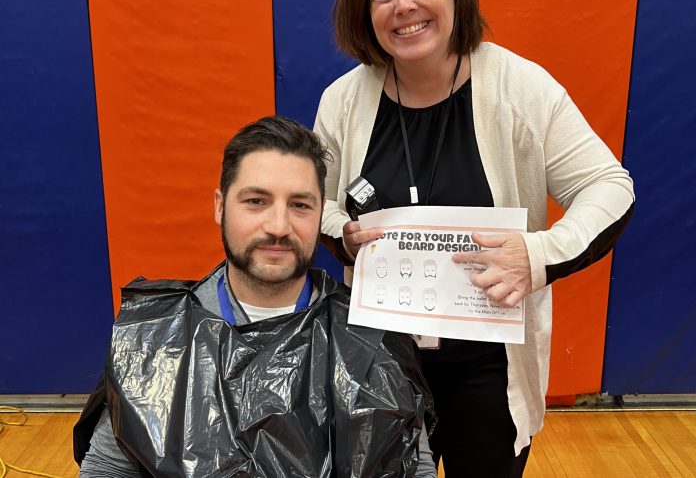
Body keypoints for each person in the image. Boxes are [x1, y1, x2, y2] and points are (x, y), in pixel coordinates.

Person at [314, 0, 635, 476]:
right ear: (364, 11)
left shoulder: (520, 88)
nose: (404, 5)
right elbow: (318, 203)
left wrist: (538, 255)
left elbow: (609, 187)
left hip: (490, 370)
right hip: (381, 363)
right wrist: (344, 235)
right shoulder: (343, 101)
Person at [74, 116, 437, 477]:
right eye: (256, 201)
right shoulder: (154, 338)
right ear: (220, 206)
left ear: (319, 214)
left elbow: (412, 467)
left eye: (300, 205)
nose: (278, 226)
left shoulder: (373, 339)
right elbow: (107, 468)